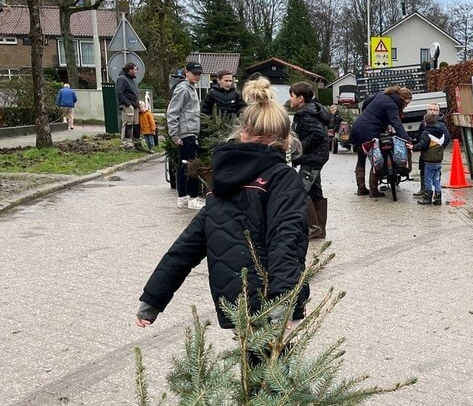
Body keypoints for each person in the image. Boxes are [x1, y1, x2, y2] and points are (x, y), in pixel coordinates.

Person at [135, 75, 309, 334]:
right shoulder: (284, 180)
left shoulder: (223, 181)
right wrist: (285, 303)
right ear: (285, 141)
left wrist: (152, 300)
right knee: (272, 370)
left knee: (249, 368)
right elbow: (286, 238)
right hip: (271, 298)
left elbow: (186, 247)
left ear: (242, 135)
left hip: (232, 301)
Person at [348, 86, 412, 197]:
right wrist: (407, 139)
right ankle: (373, 190)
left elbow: (366, 103)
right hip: (370, 131)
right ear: (401, 99)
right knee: (377, 158)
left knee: (361, 158)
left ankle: (361, 188)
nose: (406, 105)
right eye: (406, 103)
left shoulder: (382, 94)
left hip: (358, 126)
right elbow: (396, 123)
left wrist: (367, 115)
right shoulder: (392, 106)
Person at [288, 81, 332, 240]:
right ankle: (320, 228)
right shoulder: (312, 110)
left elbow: (317, 134)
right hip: (317, 157)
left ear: (300, 98)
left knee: (300, 190)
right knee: (315, 190)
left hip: (312, 158)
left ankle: (313, 228)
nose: (290, 100)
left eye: (291, 96)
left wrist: (300, 147)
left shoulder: (306, 113)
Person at [167, 62, 206, 210]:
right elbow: (173, 112)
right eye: (194, 73)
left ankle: (182, 197)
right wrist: (174, 134)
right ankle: (193, 198)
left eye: (199, 74)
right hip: (186, 133)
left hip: (189, 131)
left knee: (184, 165)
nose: (197, 76)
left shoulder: (190, 88)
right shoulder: (183, 89)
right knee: (191, 166)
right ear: (186, 72)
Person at [412, 112, 449, 206]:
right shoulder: (441, 132)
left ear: (425, 122)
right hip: (439, 160)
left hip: (429, 161)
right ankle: (438, 198)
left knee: (428, 179)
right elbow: (445, 141)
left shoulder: (426, 133)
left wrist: (412, 147)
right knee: (436, 179)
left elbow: (423, 145)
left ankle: (427, 198)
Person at [116, 62, 145, 151]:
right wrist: (127, 104)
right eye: (135, 69)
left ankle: (136, 142)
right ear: (130, 70)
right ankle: (126, 144)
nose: (136, 71)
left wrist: (138, 104)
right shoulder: (122, 79)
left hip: (134, 105)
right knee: (128, 124)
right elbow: (119, 93)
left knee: (136, 124)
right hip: (128, 106)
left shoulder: (132, 80)